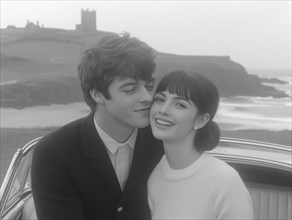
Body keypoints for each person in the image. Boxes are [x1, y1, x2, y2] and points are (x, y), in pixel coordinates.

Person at [31, 32, 163, 220]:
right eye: (130, 89)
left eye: (149, 86)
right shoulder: (53, 152)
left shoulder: (163, 140)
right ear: (97, 94)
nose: (147, 97)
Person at [148, 70, 254, 219]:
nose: (163, 110)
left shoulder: (225, 181)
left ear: (201, 120)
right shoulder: (155, 174)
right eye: (159, 99)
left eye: (179, 104)